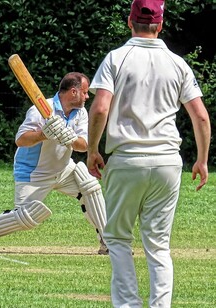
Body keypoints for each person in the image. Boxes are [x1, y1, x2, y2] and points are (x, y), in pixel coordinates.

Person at [86, 0, 211, 307]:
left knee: (117, 239)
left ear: (130, 22)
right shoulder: (177, 63)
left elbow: (100, 107)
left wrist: (91, 150)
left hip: (127, 158)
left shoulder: (117, 57)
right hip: (168, 161)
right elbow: (201, 117)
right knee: (158, 245)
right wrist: (202, 159)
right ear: (161, 25)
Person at [0, 72, 108, 255]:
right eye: (85, 92)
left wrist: (69, 137)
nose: (87, 97)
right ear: (74, 92)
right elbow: (21, 140)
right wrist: (43, 135)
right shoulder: (40, 109)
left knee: (90, 186)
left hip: (63, 169)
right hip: (34, 173)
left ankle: (108, 242)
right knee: (26, 216)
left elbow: (83, 145)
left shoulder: (80, 113)